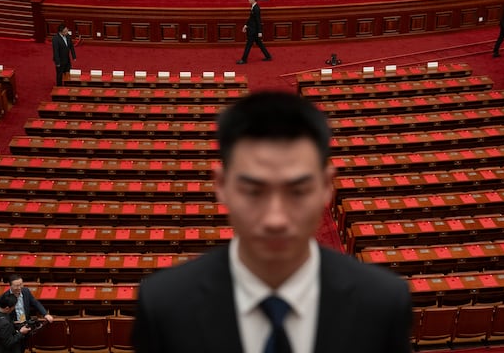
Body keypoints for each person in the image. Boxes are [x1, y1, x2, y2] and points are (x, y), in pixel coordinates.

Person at [133, 92, 412, 353]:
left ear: (327, 186)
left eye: (297, 191)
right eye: (254, 191)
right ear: (221, 185)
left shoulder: (384, 302)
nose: (275, 220)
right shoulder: (163, 305)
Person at [236, 0, 272, 64]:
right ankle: (268, 56)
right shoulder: (253, 7)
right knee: (260, 44)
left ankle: (244, 59)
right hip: (253, 30)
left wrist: (260, 31)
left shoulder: (256, 9)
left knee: (248, 45)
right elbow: (251, 18)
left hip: (253, 31)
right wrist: (246, 25)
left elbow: (258, 21)